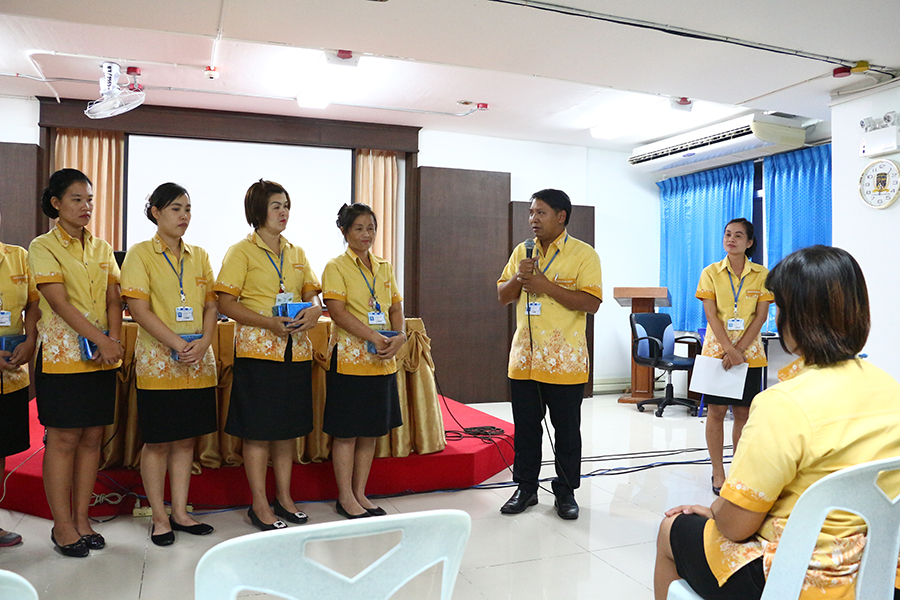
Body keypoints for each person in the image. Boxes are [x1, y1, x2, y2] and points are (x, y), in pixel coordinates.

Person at [655, 245, 900, 600]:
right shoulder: (891, 389)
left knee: (670, 529)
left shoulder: (783, 403)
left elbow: (736, 527)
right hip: (881, 573)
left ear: (795, 319)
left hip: (797, 580)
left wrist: (717, 510)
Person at [215, 180, 322, 531]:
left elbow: (312, 293)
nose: (284, 212)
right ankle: (259, 504)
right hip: (259, 353)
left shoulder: (296, 252)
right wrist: (267, 322)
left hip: (295, 351)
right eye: (276, 206)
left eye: (286, 205)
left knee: (287, 431)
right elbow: (226, 303)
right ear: (258, 211)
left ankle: (285, 498)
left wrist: (314, 309)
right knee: (258, 432)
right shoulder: (240, 252)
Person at [28, 168, 124, 557]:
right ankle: (62, 525)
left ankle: (83, 519)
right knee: (64, 439)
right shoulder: (42, 246)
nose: (86, 207)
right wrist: (102, 339)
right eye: (76, 199)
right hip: (61, 358)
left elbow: (114, 298)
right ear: (56, 203)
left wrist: (112, 340)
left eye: (89, 200)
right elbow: (58, 301)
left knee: (92, 438)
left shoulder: (102, 248)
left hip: (101, 357)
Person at [120, 183, 218, 546]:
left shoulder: (200, 255)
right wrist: (177, 343)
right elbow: (139, 309)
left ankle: (180, 512)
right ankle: (159, 517)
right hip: (159, 363)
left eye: (188, 209)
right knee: (159, 441)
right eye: (176, 208)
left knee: (186, 441)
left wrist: (204, 342)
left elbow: (211, 305)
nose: (184, 216)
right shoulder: (140, 254)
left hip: (197, 362)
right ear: (156, 212)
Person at [496, 189, 602, 520]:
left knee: (566, 431)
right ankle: (525, 488)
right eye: (531, 213)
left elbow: (591, 303)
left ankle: (566, 491)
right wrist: (520, 276)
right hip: (525, 360)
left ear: (561, 216)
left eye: (540, 213)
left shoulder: (584, 254)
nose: (533, 219)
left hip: (565, 361)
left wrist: (545, 286)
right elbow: (503, 296)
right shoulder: (522, 251)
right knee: (526, 429)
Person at [321, 202, 404, 519]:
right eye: (359, 228)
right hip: (349, 362)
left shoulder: (384, 267)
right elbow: (337, 312)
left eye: (371, 227)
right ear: (344, 232)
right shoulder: (336, 266)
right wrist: (374, 335)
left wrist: (399, 335)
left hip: (380, 361)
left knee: (370, 431)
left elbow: (395, 307)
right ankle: (345, 497)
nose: (366, 234)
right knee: (346, 433)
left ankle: (360, 493)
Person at [696, 218, 772, 495]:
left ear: (749, 242)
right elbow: (711, 314)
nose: (731, 239)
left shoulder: (762, 274)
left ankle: (739, 470)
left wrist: (739, 351)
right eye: (728, 234)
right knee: (716, 412)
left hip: (749, 354)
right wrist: (729, 349)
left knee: (743, 413)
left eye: (738, 235)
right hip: (717, 352)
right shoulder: (711, 272)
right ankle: (718, 471)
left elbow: (761, 316)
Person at [0, 211, 40, 549]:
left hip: (10, 373)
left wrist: (30, 340)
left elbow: (33, 304)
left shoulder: (17, 256)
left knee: (0, 450)